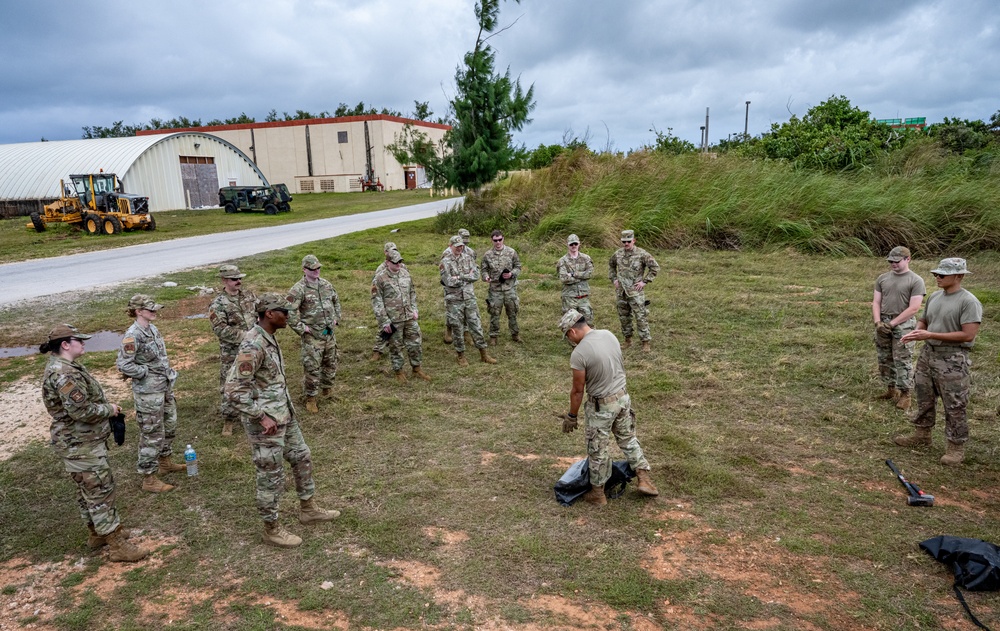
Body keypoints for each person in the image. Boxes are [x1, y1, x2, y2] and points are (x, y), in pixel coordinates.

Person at [225, 293, 340, 548]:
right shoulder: (253, 344)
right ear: (269, 314)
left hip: (284, 415)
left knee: (302, 456)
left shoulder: (269, 339)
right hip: (266, 424)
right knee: (271, 475)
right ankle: (271, 529)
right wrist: (260, 416)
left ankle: (308, 508)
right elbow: (233, 390)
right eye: (284, 312)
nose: (288, 316)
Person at [41, 324, 149, 562]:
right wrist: (109, 410)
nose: (84, 343)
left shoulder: (66, 367)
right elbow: (82, 411)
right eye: (78, 339)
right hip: (80, 443)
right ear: (65, 345)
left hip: (78, 442)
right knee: (100, 490)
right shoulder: (64, 373)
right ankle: (117, 545)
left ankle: (98, 533)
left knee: (87, 490)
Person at [557, 309, 659, 504]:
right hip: (622, 398)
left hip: (601, 406)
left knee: (598, 448)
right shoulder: (609, 335)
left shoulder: (579, 354)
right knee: (628, 438)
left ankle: (597, 493)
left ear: (572, 331)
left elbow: (578, 390)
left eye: (568, 336)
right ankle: (644, 478)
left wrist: (572, 415)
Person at [893, 258, 983, 466]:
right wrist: (919, 329)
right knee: (924, 396)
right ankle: (922, 435)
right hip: (928, 353)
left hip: (952, 358)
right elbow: (925, 318)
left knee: (954, 403)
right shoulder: (935, 297)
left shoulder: (968, 302)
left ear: (959, 276)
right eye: (936, 274)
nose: (937, 278)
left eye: (942, 275)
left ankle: (955, 448)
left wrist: (929, 333)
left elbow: (968, 335)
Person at [116, 294, 184, 494]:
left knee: (170, 424)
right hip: (148, 393)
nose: (155, 312)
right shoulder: (133, 335)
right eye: (150, 309)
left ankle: (165, 461)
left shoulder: (151, 329)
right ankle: (149, 477)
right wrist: (144, 373)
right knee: (152, 434)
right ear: (138, 311)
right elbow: (124, 365)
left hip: (163, 387)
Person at [872, 246, 925, 410]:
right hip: (884, 322)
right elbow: (876, 302)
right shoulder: (882, 278)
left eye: (896, 261)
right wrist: (878, 322)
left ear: (907, 259)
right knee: (884, 358)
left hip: (903, 324)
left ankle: (905, 394)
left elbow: (914, 308)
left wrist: (892, 324)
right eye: (890, 261)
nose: (893, 264)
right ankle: (890, 389)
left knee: (902, 359)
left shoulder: (915, 280)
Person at [286, 254, 341, 413]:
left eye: (318, 268)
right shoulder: (298, 289)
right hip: (312, 337)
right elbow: (289, 311)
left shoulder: (326, 285)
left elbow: (336, 301)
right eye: (313, 269)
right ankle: (311, 398)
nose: (317, 271)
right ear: (304, 269)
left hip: (328, 333)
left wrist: (336, 318)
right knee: (312, 367)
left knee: (330, 362)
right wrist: (302, 329)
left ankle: (327, 389)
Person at [208, 264, 258, 436]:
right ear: (224, 280)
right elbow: (220, 329)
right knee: (230, 383)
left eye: (240, 278)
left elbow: (259, 314)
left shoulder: (249, 296)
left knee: (255, 379)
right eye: (234, 279)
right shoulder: (218, 303)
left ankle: (254, 413)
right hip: (232, 351)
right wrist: (246, 336)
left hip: (253, 348)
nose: (239, 281)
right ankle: (229, 418)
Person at [371, 249, 431, 382]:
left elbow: (412, 293)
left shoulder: (405, 274)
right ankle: (399, 371)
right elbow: (377, 302)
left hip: (409, 316)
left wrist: (414, 309)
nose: (398, 264)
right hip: (393, 319)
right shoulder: (380, 278)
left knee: (415, 343)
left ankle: (417, 369)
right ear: (387, 262)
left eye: (400, 261)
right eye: (395, 262)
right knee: (396, 346)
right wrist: (384, 321)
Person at [440, 235, 497, 366]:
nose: (460, 248)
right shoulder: (445, 262)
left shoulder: (468, 258)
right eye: (457, 246)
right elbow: (447, 281)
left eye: (461, 246)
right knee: (457, 328)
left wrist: (458, 277)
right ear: (450, 246)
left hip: (469, 298)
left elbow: (476, 275)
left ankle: (484, 354)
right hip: (454, 300)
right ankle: (461, 356)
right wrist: (466, 276)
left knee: (476, 325)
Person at [608, 229, 659, 351]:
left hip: (635, 292)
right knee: (624, 317)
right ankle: (628, 340)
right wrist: (614, 279)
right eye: (624, 241)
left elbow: (655, 268)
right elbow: (611, 265)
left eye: (628, 241)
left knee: (640, 316)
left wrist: (644, 282)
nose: (626, 244)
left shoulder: (642, 254)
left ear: (634, 240)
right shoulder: (618, 254)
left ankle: (645, 341)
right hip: (621, 292)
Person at [480, 230, 522, 344]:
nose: (498, 242)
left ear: (503, 239)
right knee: (494, 313)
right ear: (492, 240)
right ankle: (493, 336)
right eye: (495, 240)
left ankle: (515, 334)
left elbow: (518, 266)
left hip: (509, 288)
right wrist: (486, 277)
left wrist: (511, 274)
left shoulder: (511, 252)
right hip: (495, 289)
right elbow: (483, 270)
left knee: (512, 312)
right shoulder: (487, 255)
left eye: (500, 240)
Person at [441, 229, 476, 345]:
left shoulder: (470, 252)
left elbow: (474, 271)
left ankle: (466, 332)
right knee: (451, 310)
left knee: (467, 310)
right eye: (462, 241)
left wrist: (463, 277)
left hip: (466, 288)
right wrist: (462, 277)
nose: (464, 244)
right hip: (452, 289)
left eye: (466, 241)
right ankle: (449, 330)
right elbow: (446, 276)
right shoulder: (447, 253)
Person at [557, 233, 595, 325]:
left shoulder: (586, 258)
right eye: (571, 244)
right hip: (569, 297)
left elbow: (590, 274)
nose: (573, 246)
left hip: (584, 296)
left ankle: (587, 339)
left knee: (588, 322)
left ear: (579, 244)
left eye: (575, 244)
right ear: (568, 245)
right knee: (571, 325)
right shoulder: (562, 261)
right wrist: (582, 277)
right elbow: (564, 278)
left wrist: (574, 274)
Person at [370, 242, 400, 361]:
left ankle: (397, 346)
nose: (393, 252)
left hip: (400, 303)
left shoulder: (401, 266)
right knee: (385, 327)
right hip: (386, 304)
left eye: (395, 249)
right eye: (390, 250)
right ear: (385, 253)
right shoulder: (381, 269)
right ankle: (378, 350)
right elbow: (376, 289)